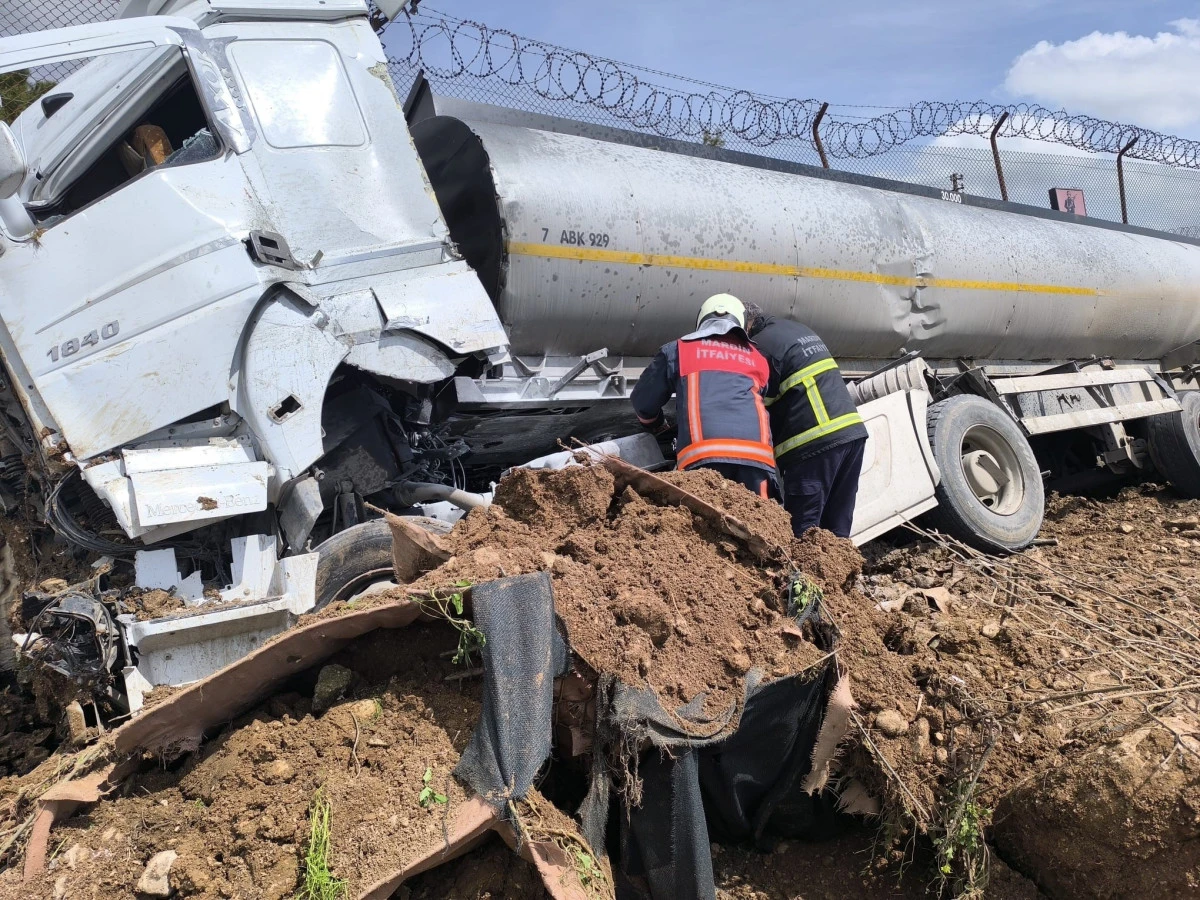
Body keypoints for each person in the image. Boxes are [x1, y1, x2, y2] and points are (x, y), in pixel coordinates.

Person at [631, 294, 779, 498]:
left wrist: (655, 424)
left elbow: (643, 401)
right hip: (757, 460)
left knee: (700, 525)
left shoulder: (678, 349)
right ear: (741, 323)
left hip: (703, 457)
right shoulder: (758, 357)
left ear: (701, 319)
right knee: (759, 523)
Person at [743, 303, 868, 538]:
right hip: (852, 432)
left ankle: (804, 576)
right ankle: (838, 573)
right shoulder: (795, 330)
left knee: (804, 530)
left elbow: (752, 402)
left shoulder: (762, 347)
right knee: (837, 525)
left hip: (814, 444)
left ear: (746, 325)